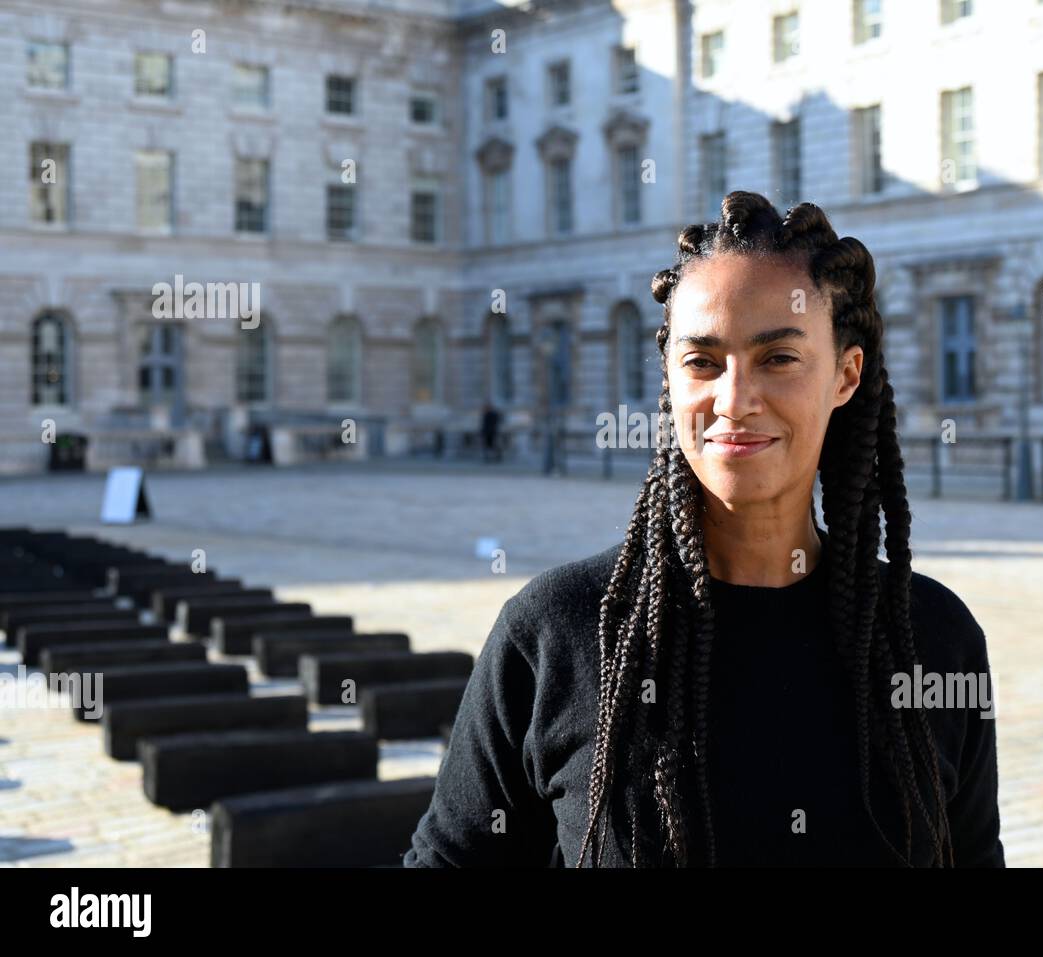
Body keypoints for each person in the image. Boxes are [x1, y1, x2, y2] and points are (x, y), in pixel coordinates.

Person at [405, 191, 1005, 867]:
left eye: (778, 358)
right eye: (703, 361)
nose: (734, 398)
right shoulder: (558, 632)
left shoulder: (934, 638)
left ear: (846, 373)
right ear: (669, 376)